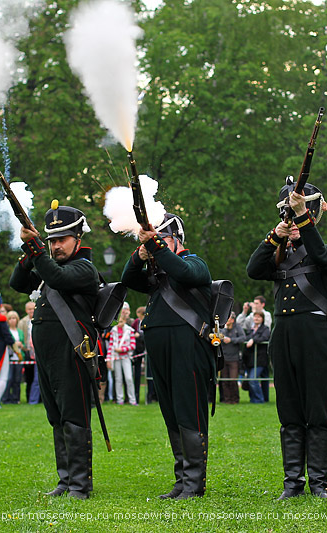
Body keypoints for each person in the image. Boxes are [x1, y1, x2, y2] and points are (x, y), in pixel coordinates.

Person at [246, 181, 327, 499]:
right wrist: (275, 236)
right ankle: (292, 483)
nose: (295, 222)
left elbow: (323, 256)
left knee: (317, 411)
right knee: (288, 412)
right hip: (283, 336)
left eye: (300, 214)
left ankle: (318, 482)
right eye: (290, 214)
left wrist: (304, 220)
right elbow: (253, 269)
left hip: (317, 336)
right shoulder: (279, 253)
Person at [10, 201, 99, 499]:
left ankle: (80, 485)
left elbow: (58, 279)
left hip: (72, 349)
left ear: (78, 239)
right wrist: (30, 249)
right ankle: (65, 480)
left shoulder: (84, 268)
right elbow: (18, 283)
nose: (55, 246)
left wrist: (36, 248)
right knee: (57, 416)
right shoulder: (49, 264)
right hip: (47, 353)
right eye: (51, 241)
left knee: (74, 416)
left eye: (61, 240)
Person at [122, 212, 213, 499]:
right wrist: (140, 253)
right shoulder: (157, 274)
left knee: (189, 412)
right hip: (160, 349)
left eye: (161, 240)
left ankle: (194, 482)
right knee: (172, 413)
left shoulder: (194, 263)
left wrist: (157, 247)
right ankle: (181, 479)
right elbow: (127, 278)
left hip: (188, 348)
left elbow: (185, 273)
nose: (155, 247)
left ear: (175, 240)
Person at [106, 306, 137, 405]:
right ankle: (120, 400)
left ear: (124, 321)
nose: (119, 324)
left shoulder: (130, 330)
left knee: (128, 378)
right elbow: (110, 346)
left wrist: (122, 349)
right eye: (118, 322)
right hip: (116, 357)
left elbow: (133, 345)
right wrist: (109, 360)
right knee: (118, 379)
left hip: (126, 357)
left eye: (121, 322)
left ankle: (132, 400)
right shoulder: (113, 331)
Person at [243, 311, 271, 404]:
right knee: (251, 379)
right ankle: (253, 399)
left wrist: (253, 340)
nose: (256, 319)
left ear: (262, 319)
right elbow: (245, 339)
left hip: (261, 359)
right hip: (250, 359)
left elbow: (265, 337)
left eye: (259, 317)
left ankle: (260, 399)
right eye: (255, 317)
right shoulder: (250, 330)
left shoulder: (265, 329)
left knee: (253, 379)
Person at [220, 312, 246, 404]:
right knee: (224, 380)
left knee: (233, 380)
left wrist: (232, 340)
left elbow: (243, 338)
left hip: (234, 359)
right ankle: (227, 399)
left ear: (233, 319)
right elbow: (217, 336)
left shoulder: (237, 328)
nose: (227, 320)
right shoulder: (222, 328)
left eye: (229, 318)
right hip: (224, 358)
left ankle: (235, 399)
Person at [3, 310, 25, 404]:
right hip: (10, 358)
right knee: (9, 379)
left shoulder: (20, 331)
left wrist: (21, 345)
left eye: (14, 318)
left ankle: (16, 398)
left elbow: (23, 343)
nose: (13, 320)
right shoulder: (6, 331)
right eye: (10, 318)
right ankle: (6, 398)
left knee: (17, 379)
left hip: (19, 358)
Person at [18, 301, 38, 404]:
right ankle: (29, 397)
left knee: (37, 378)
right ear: (26, 310)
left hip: (37, 352)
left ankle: (37, 399)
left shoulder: (39, 319)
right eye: (29, 309)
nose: (32, 311)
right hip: (27, 351)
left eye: (33, 308)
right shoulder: (22, 322)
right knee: (29, 377)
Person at [131, 305, 146, 404]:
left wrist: (139, 335)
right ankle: (135, 395)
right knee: (137, 374)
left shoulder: (147, 320)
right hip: (137, 351)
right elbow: (132, 333)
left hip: (145, 350)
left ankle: (151, 396)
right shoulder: (136, 322)